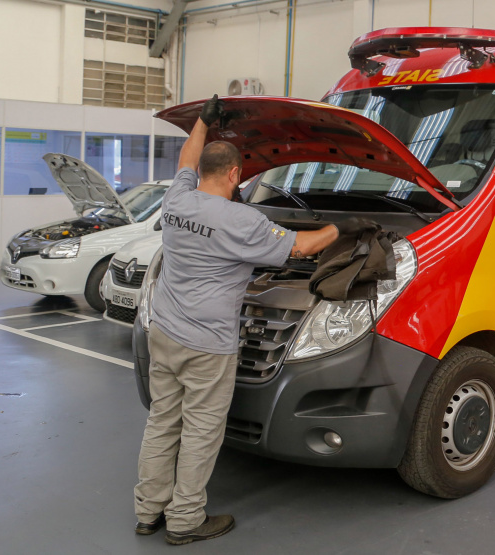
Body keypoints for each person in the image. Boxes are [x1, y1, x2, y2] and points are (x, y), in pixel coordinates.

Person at [133, 95, 362, 545]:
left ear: (204, 172)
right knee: (201, 431)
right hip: (207, 345)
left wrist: (202, 122)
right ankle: (184, 521)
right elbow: (301, 248)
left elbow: (186, 158)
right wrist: (342, 227)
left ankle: (148, 511)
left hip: (164, 331)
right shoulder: (242, 220)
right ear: (236, 175)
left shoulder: (177, 200)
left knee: (162, 422)